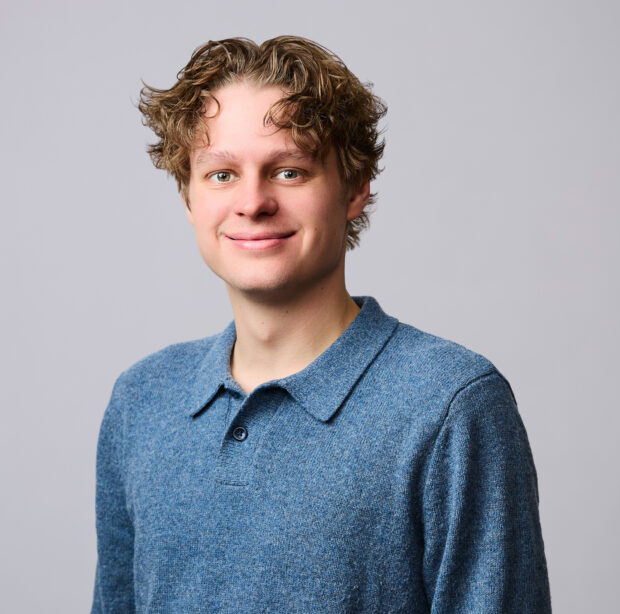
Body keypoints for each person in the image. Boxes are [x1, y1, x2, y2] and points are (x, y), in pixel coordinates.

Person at [91, 36, 551, 613]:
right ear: (188, 195)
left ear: (355, 188)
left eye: (288, 171)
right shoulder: (141, 401)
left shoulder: (452, 405)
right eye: (221, 175)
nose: (252, 202)